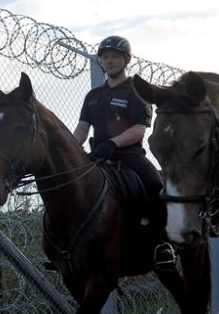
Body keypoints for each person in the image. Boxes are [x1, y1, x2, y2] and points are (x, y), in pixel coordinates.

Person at [72, 35, 175, 269]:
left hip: (129, 157)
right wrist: (69, 149)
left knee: (155, 187)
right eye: (105, 57)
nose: (109, 61)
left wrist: (113, 143)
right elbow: (81, 128)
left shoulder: (137, 91)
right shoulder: (93, 96)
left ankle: (162, 245)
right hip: (97, 156)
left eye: (115, 57)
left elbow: (140, 129)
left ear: (125, 60)